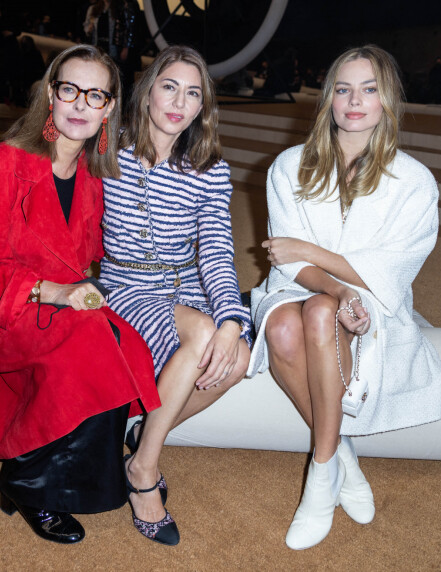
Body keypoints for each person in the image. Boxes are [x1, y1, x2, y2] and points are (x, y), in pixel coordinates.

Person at [0, 44, 160, 545]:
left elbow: (93, 254)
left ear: (109, 109)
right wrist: (55, 293)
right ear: (50, 95)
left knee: (125, 344)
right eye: (70, 90)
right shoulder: (3, 164)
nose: (81, 104)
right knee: (89, 343)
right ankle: (30, 484)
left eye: (96, 95)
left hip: (55, 300)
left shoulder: (91, 175)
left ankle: (42, 471)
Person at [247, 45, 441, 550]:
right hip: (298, 287)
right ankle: (340, 457)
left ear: (387, 100)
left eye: (369, 89)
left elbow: (391, 269)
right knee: (285, 322)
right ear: (329, 99)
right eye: (343, 88)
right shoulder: (290, 166)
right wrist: (333, 283)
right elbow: (285, 260)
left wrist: (314, 254)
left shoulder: (415, 181)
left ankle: (319, 478)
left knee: (315, 315)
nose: (354, 101)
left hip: (376, 301)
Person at [99, 45, 252, 546]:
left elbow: (216, 250)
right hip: (125, 284)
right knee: (205, 335)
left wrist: (232, 318)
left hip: (184, 285)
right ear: (147, 93)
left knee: (238, 355)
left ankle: (142, 434)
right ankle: (143, 471)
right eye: (169, 87)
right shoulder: (108, 146)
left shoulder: (209, 167)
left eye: (193, 93)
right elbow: (51, 138)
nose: (179, 102)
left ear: (202, 106)